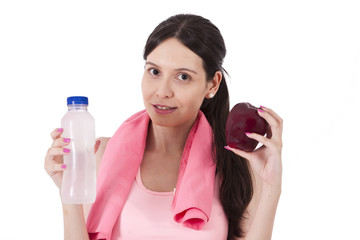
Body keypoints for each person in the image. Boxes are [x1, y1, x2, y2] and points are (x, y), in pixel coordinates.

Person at [44, 14, 283, 240]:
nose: (162, 91)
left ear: (213, 84)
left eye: (183, 77)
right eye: (155, 71)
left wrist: (271, 187)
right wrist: (68, 190)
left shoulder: (237, 166)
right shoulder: (101, 153)